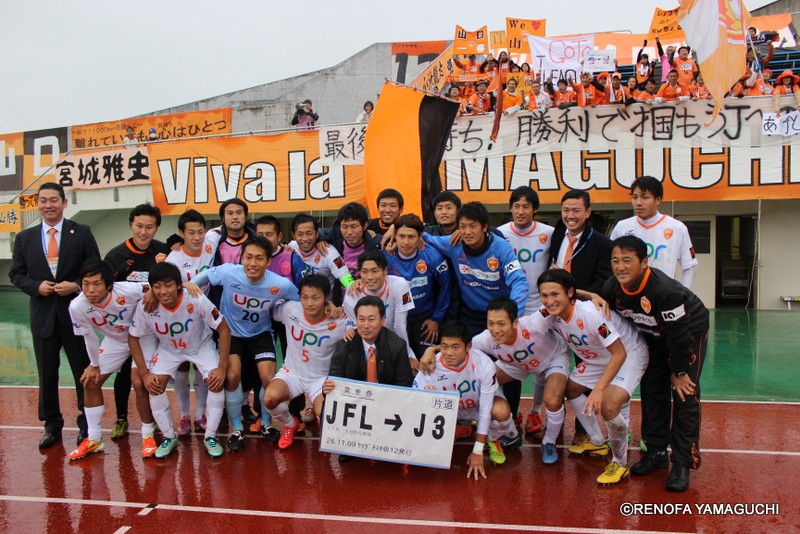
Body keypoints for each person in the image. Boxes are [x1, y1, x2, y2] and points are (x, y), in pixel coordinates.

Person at [593, 235, 709, 492]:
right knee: (652, 390)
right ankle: (656, 452)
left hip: (688, 333)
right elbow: (597, 302)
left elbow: (679, 337)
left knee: (684, 394)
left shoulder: (665, 292)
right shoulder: (613, 287)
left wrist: (679, 371)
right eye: (615, 261)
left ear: (644, 262)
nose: (620, 267)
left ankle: (682, 463)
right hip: (654, 335)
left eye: (627, 260)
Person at [10, 182, 101, 448]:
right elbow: (16, 274)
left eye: (53, 200)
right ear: (38, 204)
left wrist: (76, 285)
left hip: (75, 317)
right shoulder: (25, 238)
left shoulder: (81, 232)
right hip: (43, 317)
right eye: (43, 200)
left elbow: (96, 267)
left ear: (64, 202)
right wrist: (35, 287)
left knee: (83, 373)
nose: (48, 205)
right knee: (47, 375)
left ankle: (87, 425)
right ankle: (52, 425)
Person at [187, 237, 300, 451]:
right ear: (242, 258)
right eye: (248, 257)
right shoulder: (229, 272)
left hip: (261, 334)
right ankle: (237, 428)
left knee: (268, 377)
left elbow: (298, 301)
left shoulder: (280, 284)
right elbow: (204, 277)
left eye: (259, 258)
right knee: (232, 377)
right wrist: (189, 285)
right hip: (231, 334)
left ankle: (266, 423)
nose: (253, 263)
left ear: (268, 261)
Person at [539, 269, 648, 485]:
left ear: (570, 293)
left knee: (608, 405)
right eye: (544, 295)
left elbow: (619, 354)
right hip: (599, 357)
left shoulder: (591, 315)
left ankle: (620, 463)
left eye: (555, 294)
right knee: (571, 389)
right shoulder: (549, 313)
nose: (549, 301)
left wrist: (599, 389)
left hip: (628, 354)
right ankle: (598, 441)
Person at [128, 262, 230, 458]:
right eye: (157, 286)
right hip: (169, 350)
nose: (163, 291)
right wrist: (144, 373)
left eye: (168, 285)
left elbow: (224, 329)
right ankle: (169, 436)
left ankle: (210, 436)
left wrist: (222, 368)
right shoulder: (146, 305)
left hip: (201, 346)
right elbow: (133, 337)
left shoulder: (196, 298)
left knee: (216, 382)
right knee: (154, 385)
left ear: (178, 285)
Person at [67, 259, 159, 460]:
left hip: (143, 336)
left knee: (139, 382)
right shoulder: (77, 306)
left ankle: (148, 435)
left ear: (109, 285)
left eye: (96, 284)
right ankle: (94, 438)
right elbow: (89, 337)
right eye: (86, 284)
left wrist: (152, 291)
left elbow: (154, 286)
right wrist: (94, 365)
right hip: (116, 341)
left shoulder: (127, 290)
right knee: (90, 382)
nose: (90, 290)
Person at [466, 297, 570, 465]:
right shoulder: (485, 339)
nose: (495, 330)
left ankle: (549, 442)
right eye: (491, 323)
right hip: (518, 363)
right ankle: (510, 433)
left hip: (553, 358)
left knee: (552, 399)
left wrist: (592, 297)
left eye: (501, 323)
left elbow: (561, 300)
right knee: (478, 386)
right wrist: (432, 351)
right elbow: (461, 347)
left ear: (515, 322)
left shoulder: (535, 322)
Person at [548, 189, 612, 445]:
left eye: (576, 210)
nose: (570, 215)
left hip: (584, 319)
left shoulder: (601, 244)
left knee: (585, 378)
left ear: (587, 212)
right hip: (558, 316)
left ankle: (585, 429)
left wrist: (572, 295)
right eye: (566, 210)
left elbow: (602, 284)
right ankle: (556, 425)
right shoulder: (557, 234)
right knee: (556, 373)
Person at [103, 203, 170, 440]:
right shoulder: (116, 256)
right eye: (139, 226)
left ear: (156, 228)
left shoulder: (162, 251)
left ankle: (156, 420)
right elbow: (106, 291)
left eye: (149, 227)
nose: (143, 232)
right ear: (131, 224)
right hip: (124, 327)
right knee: (123, 374)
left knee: (150, 375)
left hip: (154, 328)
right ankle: (121, 417)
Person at [414, 321, 516, 476]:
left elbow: (486, 409)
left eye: (455, 347)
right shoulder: (430, 364)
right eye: (444, 346)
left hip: (476, 408)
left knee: (502, 412)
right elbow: (413, 403)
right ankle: (460, 429)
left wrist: (477, 450)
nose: (449, 353)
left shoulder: (484, 364)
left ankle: (490, 439)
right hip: (449, 413)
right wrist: (425, 396)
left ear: (468, 347)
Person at [323, 296, 414, 462]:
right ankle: (349, 445)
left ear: (383, 320)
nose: (365, 325)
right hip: (355, 403)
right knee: (326, 405)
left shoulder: (397, 345)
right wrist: (328, 388)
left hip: (386, 402)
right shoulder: (345, 345)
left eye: (371, 319)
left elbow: (404, 385)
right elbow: (335, 379)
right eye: (361, 319)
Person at [264, 275, 348, 449]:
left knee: (326, 413)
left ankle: (319, 417)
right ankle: (290, 424)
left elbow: (359, 327)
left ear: (326, 298)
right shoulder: (289, 309)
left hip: (321, 379)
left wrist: (337, 310)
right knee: (269, 399)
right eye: (304, 297)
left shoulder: (340, 321)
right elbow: (267, 308)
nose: (309, 303)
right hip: (292, 373)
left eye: (315, 298)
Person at [424, 201, 527, 336]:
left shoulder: (501, 247)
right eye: (462, 226)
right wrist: (402, 231)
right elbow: (425, 237)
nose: (467, 232)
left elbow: (519, 281)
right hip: (469, 316)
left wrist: (512, 314)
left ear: (485, 227)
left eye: (473, 226)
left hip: (498, 316)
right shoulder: (454, 244)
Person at [165, 209, 222, 435]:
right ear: (181, 234)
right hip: (181, 319)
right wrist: (182, 285)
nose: (197, 237)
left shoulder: (211, 240)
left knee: (201, 370)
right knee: (182, 367)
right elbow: (164, 286)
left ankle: (200, 415)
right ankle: (184, 416)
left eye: (200, 232)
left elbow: (231, 225)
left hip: (205, 318)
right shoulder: (174, 258)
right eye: (191, 233)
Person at [610, 175, 698, 288]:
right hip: (628, 295)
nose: (638, 202)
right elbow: (609, 262)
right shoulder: (622, 227)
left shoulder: (677, 228)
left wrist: (683, 294)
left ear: (658, 199)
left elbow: (689, 266)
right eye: (635, 197)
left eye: (645, 197)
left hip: (663, 295)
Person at [386, 214, 451, 359]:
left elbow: (445, 288)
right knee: (399, 360)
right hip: (395, 317)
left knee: (428, 360)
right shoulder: (386, 256)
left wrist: (436, 319)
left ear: (420, 237)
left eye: (411, 237)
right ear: (394, 235)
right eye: (401, 236)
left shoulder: (433, 257)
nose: (406, 242)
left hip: (425, 319)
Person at [343, 251, 416, 360]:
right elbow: (353, 328)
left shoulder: (400, 285)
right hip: (367, 346)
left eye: (375, 271)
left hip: (395, 342)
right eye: (364, 272)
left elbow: (400, 325)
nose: (370, 277)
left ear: (385, 270)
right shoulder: (351, 295)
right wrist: (350, 330)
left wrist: (407, 356)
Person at [288, 213, 354, 297]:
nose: (304, 239)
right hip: (297, 301)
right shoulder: (290, 247)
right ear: (293, 235)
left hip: (325, 303)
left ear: (317, 234)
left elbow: (345, 275)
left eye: (309, 233)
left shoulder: (329, 251)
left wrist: (352, 288)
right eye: (300, 234)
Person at [319, 202, 382, 279]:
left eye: (354, 226)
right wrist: (320, 239)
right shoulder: (335, 236)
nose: (349, 232)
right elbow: (317, 232)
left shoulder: (376, 243)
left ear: (365, 226)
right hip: (341, 285)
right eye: (344, 227)